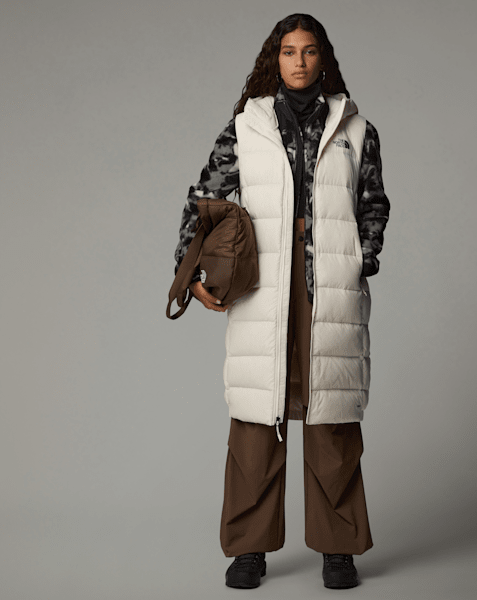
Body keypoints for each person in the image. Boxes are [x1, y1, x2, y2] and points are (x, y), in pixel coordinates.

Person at [174, 13, 390, 590]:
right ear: (276, 58)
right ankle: (249, 550)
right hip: (263, 282)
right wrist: (191, 271)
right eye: (289, 51)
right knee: (255, 415)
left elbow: (373, 203)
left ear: (324, 58)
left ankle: (339, 549)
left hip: (329, 283)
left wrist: (361, 257)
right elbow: (205, 199)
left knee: (332, 416)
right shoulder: (245, 127)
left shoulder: (356, 128)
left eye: (309, 50)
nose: (299, 61)